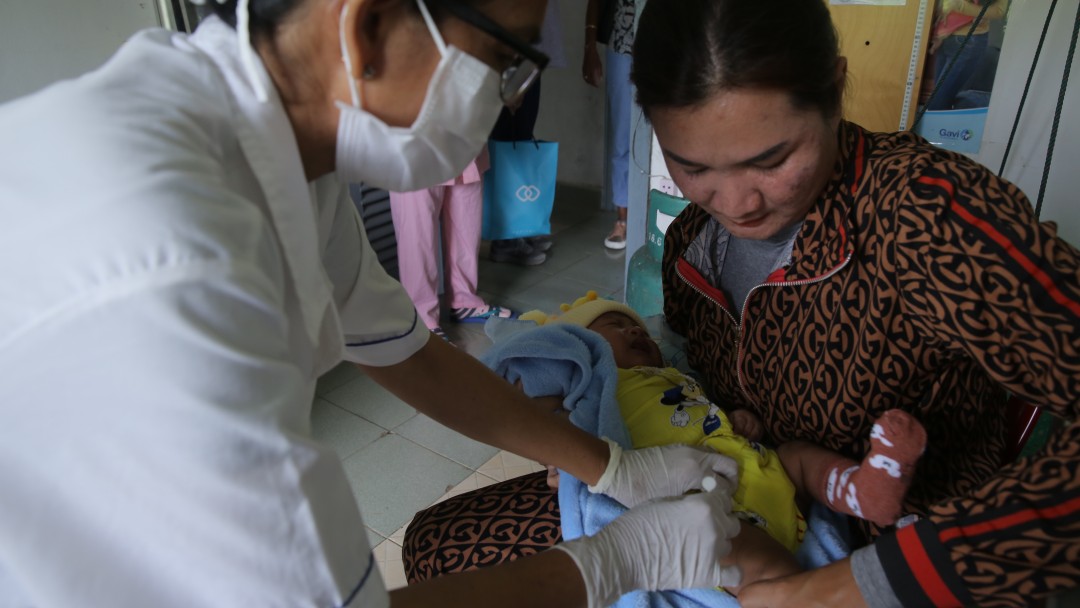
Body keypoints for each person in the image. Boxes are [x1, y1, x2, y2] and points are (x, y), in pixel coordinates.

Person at [0, 0, 749, 605]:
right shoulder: (170, 259)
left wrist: (613, 468)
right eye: (500, 59)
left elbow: (412, 356)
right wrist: (621, 559)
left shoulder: (283, 158)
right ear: (365, 28)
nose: (505, 95)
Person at [632, 0, 1079, 606]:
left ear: (835, 89)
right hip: (749, 521)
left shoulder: (930, 216)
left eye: (771, 161)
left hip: (902, 552)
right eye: (693, 167)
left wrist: (862, 586)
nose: (737, 203)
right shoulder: (691, 243)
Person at [508, 295, 927, 597]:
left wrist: (740, 422)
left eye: (632, 323)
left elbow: (706, 415)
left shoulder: (674, 375)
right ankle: (791, 593)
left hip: (759, 474)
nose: (634, 329)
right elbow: (532, 399)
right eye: (613, 329)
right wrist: (560, 455)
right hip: (710, 514)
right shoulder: (598, 396)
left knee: (797, 456)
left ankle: (863, 489)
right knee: (747, 553)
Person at [389, 150, 513, 341]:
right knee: (417, 236)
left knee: (467, 223)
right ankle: (422, 318)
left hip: (463, 137)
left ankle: (464, 300)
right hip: (416, 141)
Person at [486, 0, 564, 266]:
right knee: (507, 145)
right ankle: (506, 240)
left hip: (528, 57)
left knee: (519, 141)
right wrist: (512, 70)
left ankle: (522, 227)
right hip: (514, 58)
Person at [583, 0, 635, 250]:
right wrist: (589, 46)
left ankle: (660, 218)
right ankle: (623, 220)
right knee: (622, 135)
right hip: (621, 42)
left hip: (666, 43)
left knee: (665, 137)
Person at [926, 0, 1010, 111]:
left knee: (938, 103)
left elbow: (998, 11)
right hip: (945, 38)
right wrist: (938, 33)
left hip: (968, 41)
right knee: (939, 100)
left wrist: (957, 5)